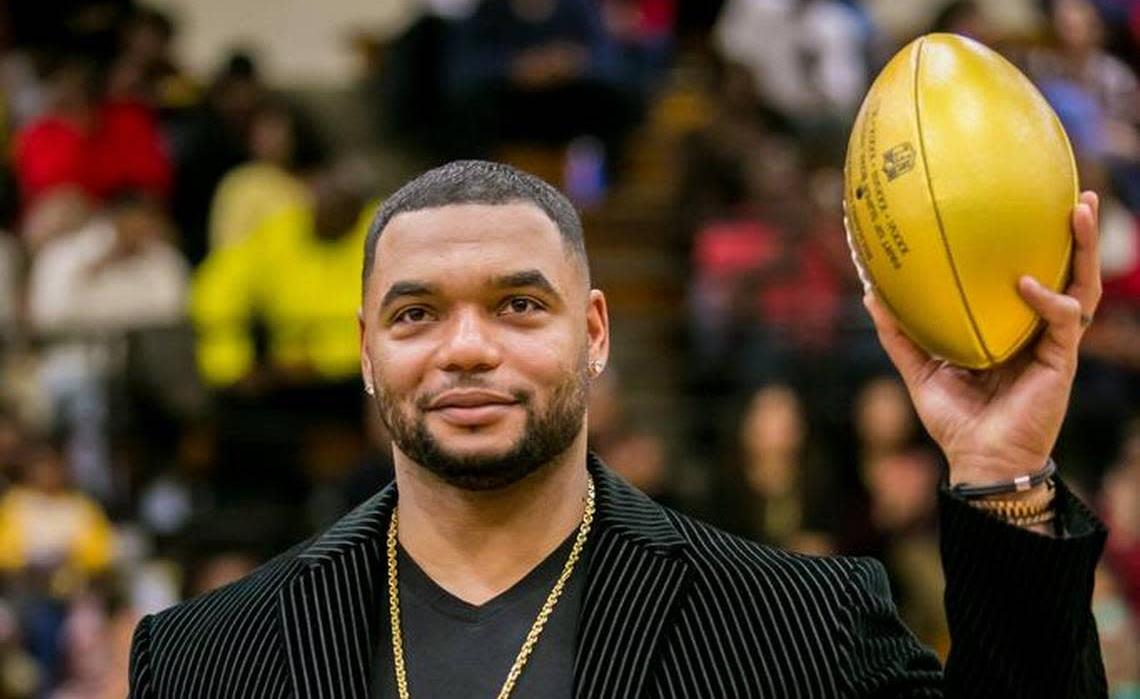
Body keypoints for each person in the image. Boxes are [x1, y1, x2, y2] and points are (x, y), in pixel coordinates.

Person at [129, 160, 1108, 697]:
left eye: (518, 306)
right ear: (367, 350)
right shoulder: (204, 658)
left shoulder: (800, 626)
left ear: (594, 331)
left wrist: (1003, 469)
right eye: (416, 313)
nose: (465, 348)